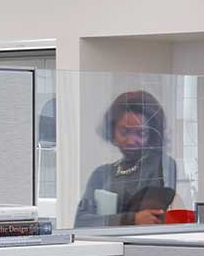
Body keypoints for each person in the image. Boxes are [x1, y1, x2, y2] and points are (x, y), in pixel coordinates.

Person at [75, 90, 181, 227]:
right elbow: (80, 222)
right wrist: (132, 219)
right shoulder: (101, 173)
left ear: (152, 135)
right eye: (124, 132)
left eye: (141, 133)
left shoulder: (161, 165)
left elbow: (149, 219)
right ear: (112, 131)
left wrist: (107, 220)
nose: (131, 140)